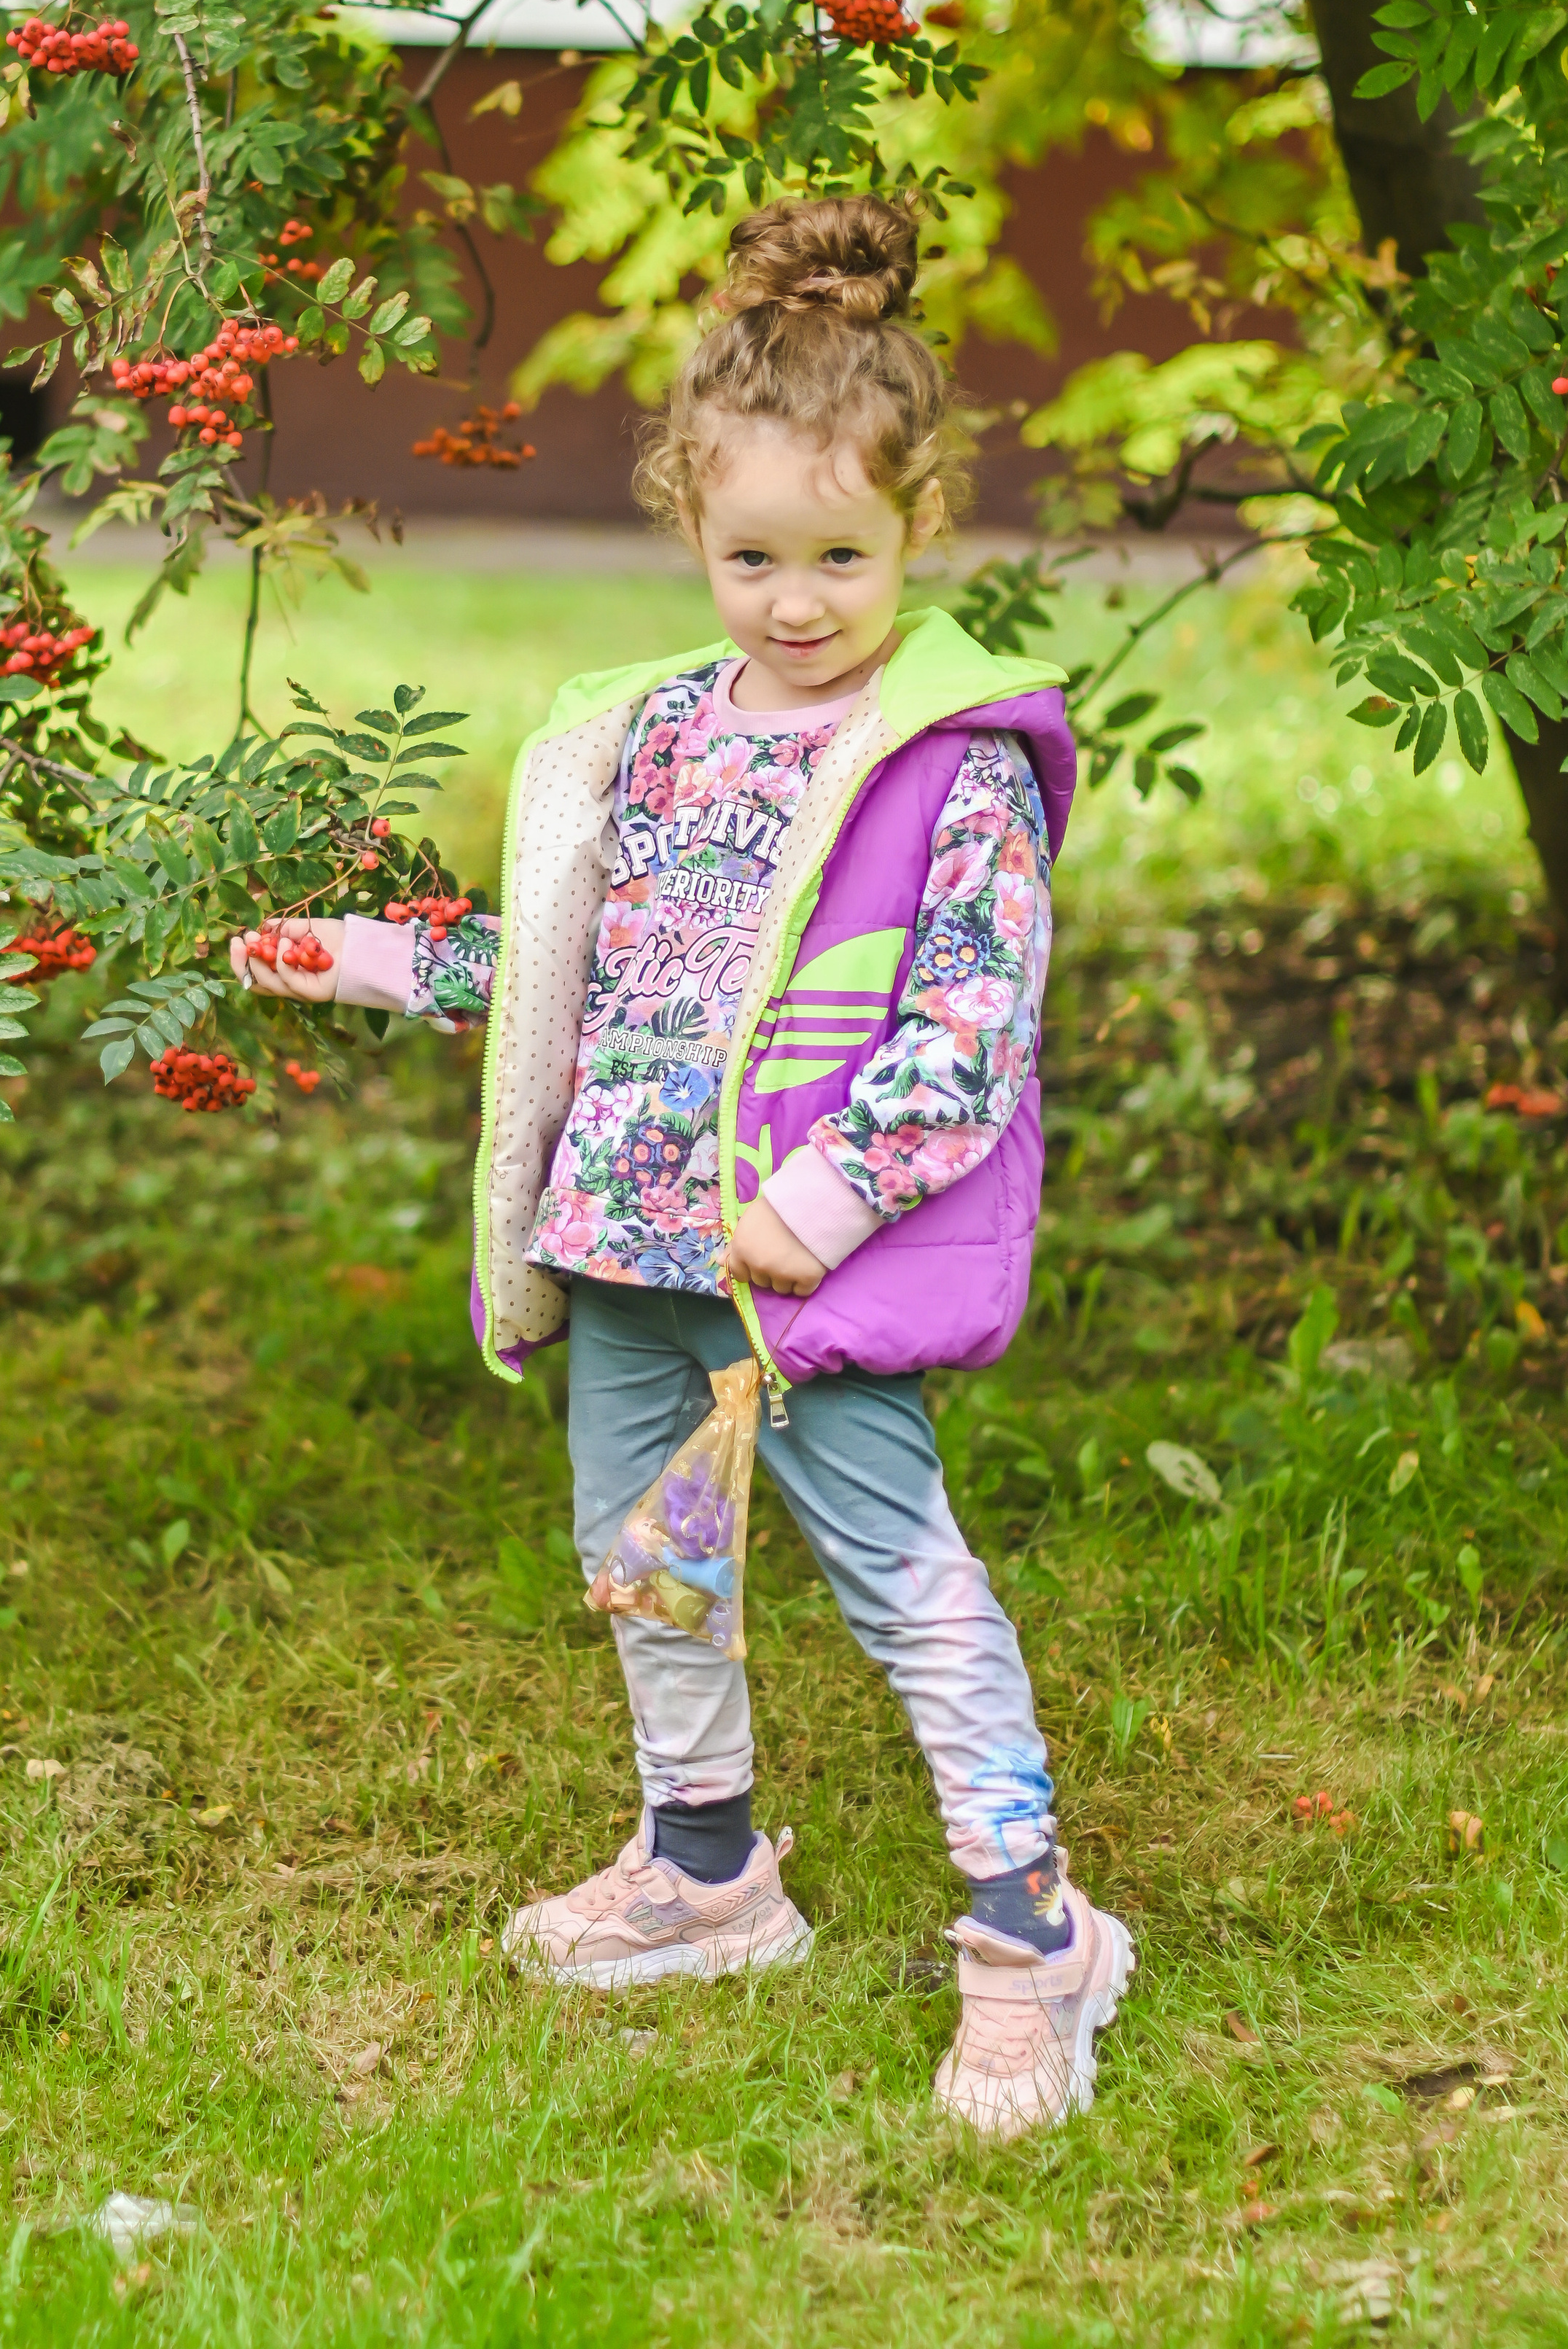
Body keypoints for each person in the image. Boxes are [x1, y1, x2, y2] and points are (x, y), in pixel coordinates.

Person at [230, 193, 1133, 2140]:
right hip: (627, 1239)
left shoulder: (949, 766)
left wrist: (823, 1205)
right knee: (653, 1567)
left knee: (905, 1580)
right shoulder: (649, 736)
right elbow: (579, 965)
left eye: (840, 556)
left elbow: (971, 1035)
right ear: (689, 522)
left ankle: (1033, 1926)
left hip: (796, 1265)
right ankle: (708, 1868)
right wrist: (375, 959)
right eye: (752, 557)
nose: (796, 601)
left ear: (918, 524)